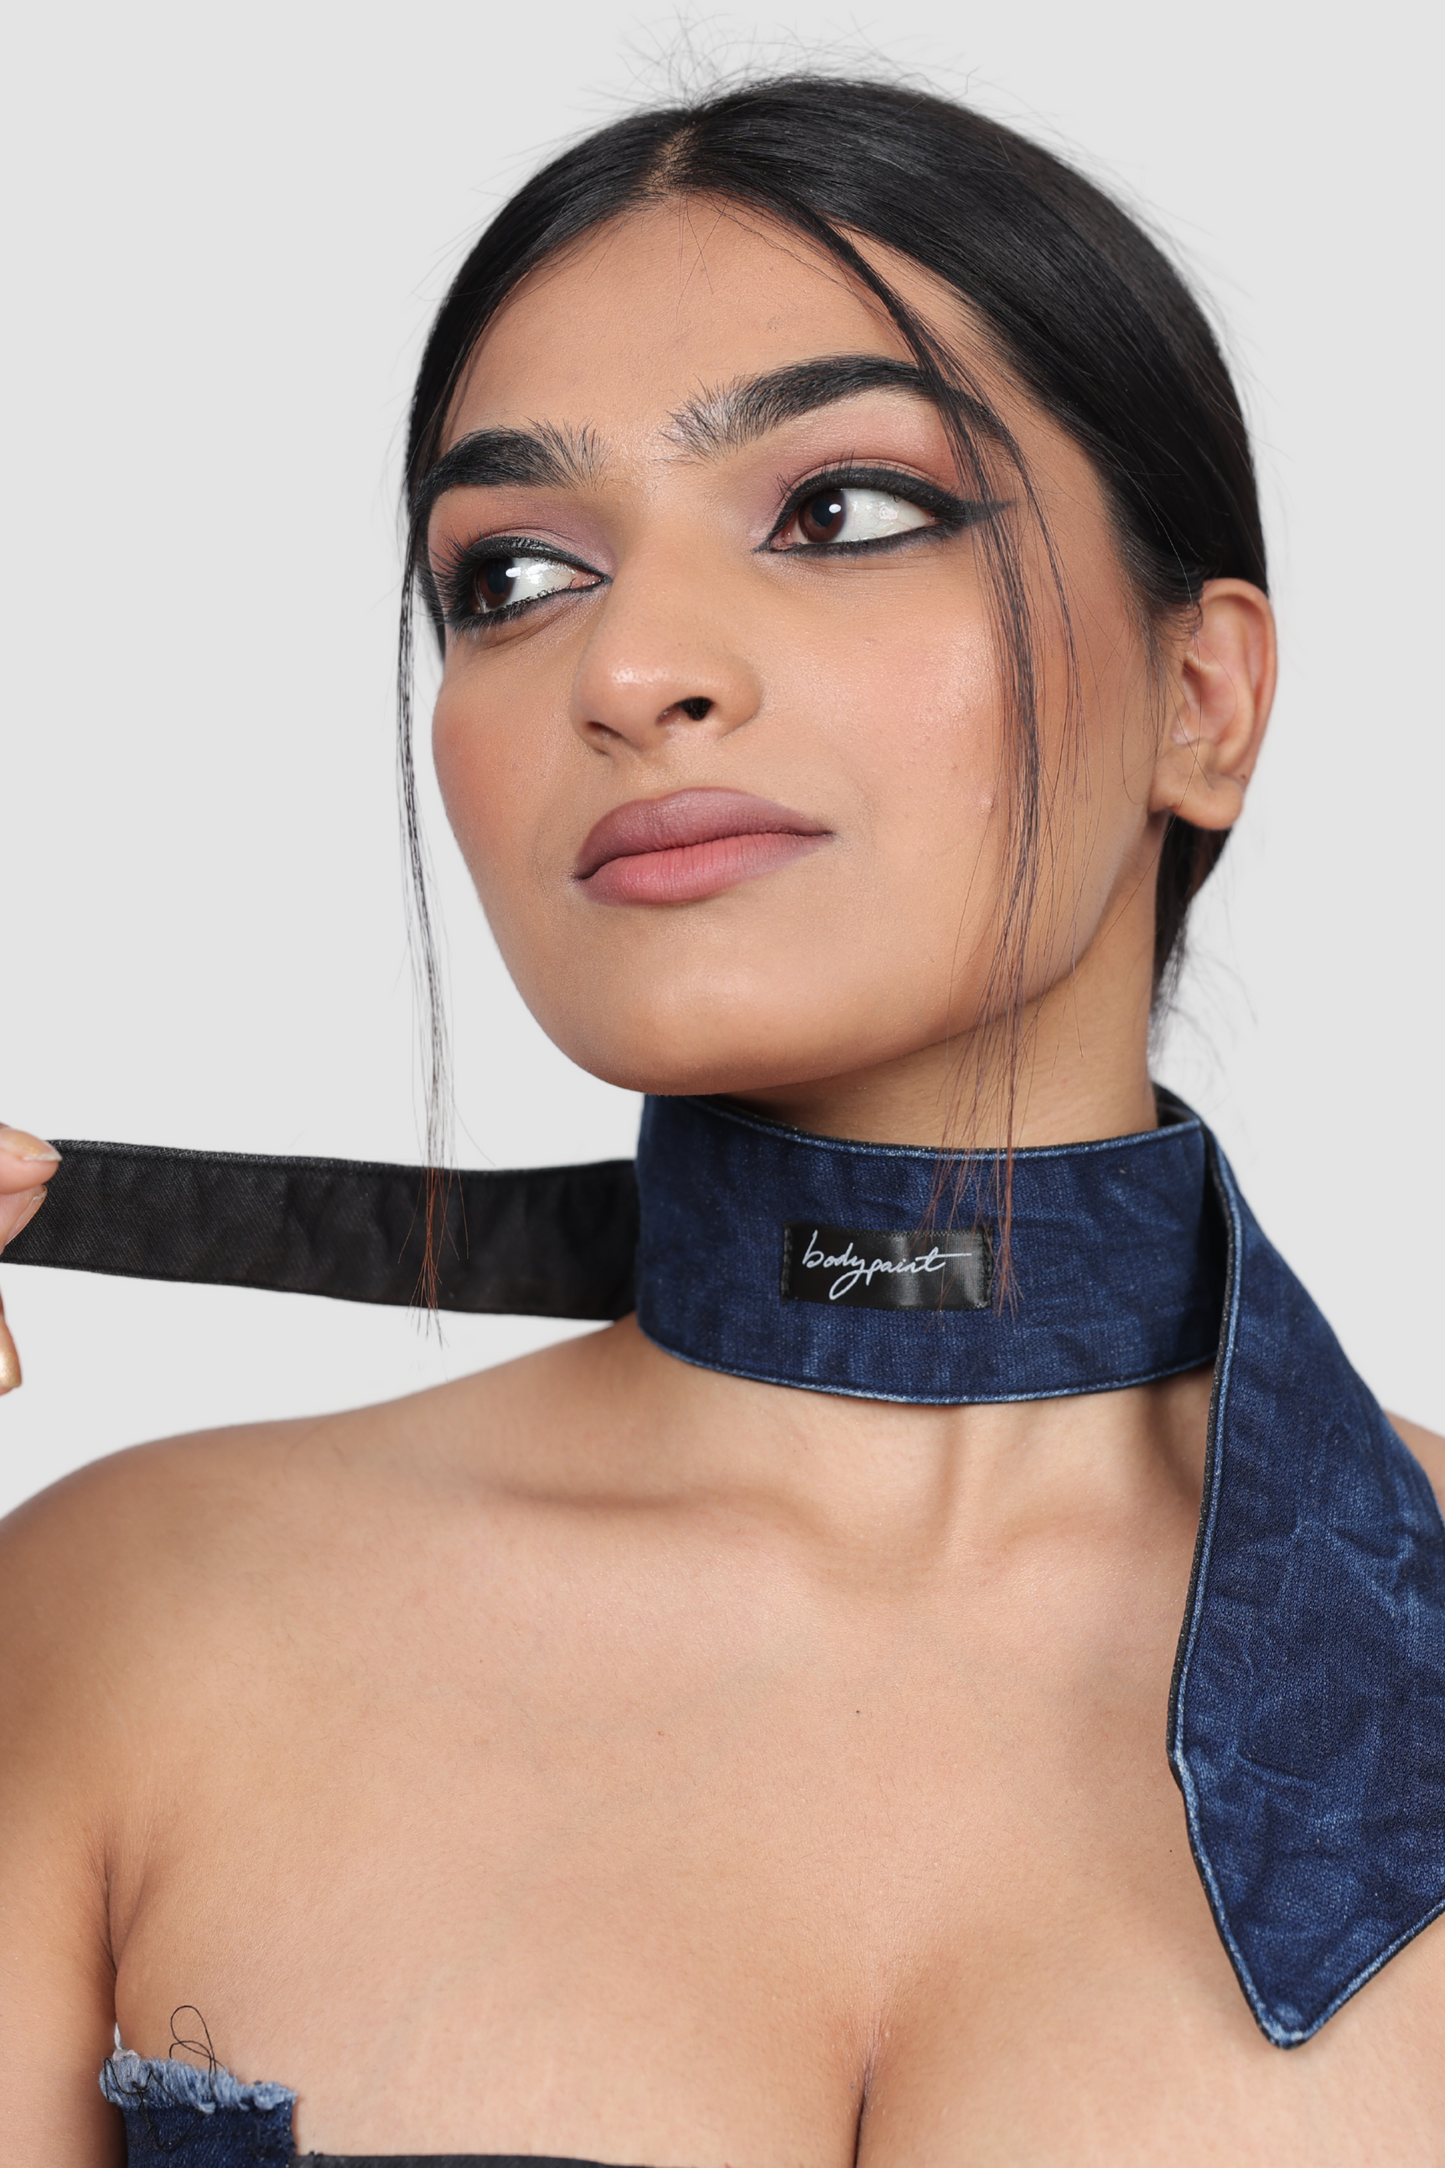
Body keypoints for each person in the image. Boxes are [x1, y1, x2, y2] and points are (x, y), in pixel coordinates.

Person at [2, 73, 1442, 2168]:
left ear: (1201, 699)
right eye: (513, 573)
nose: (631, 668)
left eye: (840, 509)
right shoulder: (115, 1621)